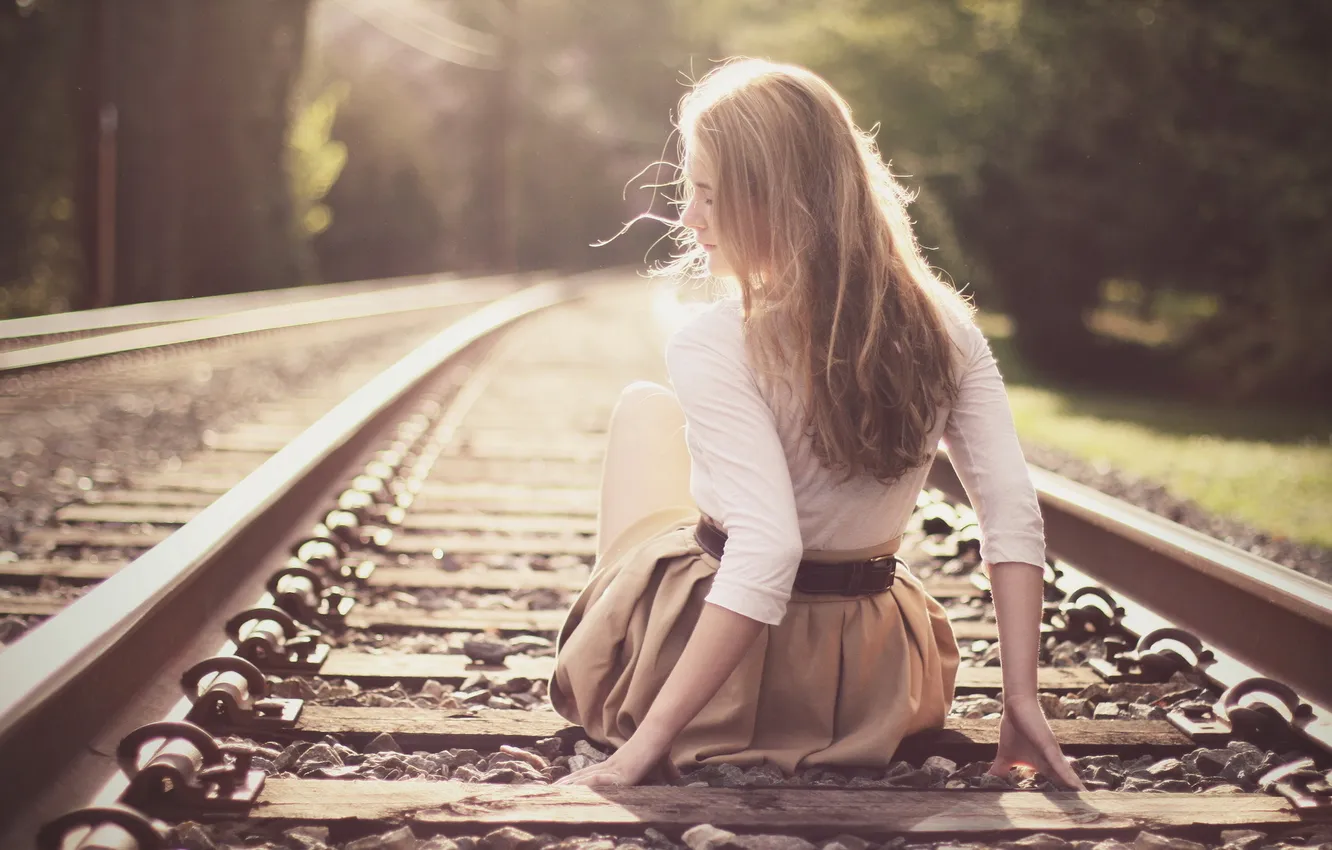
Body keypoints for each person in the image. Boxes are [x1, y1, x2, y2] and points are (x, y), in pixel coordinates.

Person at [549, 58, 1085, 791]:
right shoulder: (949, 332)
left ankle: (626, 655)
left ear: (776, 201)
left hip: (728, 692)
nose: (688, 218)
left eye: (708, 195)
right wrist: (1020, 700)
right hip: (873, 695)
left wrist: (644, 750)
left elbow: (767, 545)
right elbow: (1012, 514)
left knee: (648, 413)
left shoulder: (716, 339)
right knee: (685, 441)